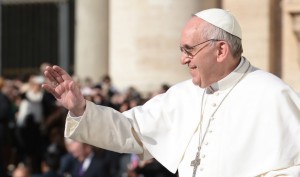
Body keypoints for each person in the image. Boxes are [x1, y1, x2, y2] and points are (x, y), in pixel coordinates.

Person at [42, 8, 300, 177]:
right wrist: (80, 109)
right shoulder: (182, 95)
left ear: (221, 51)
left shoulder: (272, 95)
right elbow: (130, 129)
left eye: (189, 50)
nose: (183, 60)